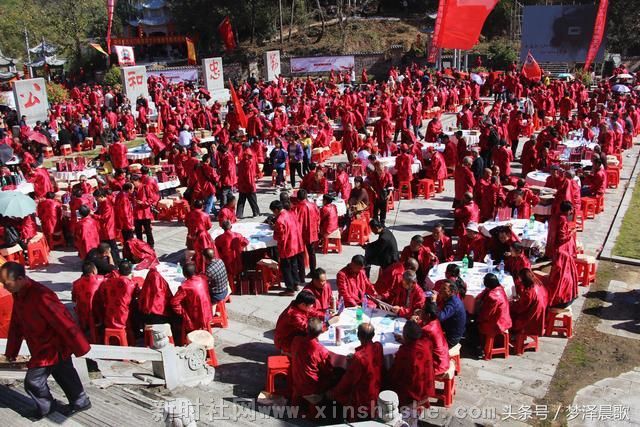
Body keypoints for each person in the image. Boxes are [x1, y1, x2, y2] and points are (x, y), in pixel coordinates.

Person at [2, 262, 92, 419]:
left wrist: (79, 345)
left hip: (51, 347)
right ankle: (80, 401)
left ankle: (47, 407)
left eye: (6, 283)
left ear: (20, 279)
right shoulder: (18, 294)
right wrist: (11, 351)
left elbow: (62, 319)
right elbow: (16, 324)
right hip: (38, 345)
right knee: (64, 373)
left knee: (33, 382)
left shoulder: (41, 295)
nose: (4, 287)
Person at [327, 323, 383, 420]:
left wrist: (333, 392)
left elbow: (348, 379)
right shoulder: (378, 346)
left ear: (358, 336)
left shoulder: (359, 357)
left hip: (362, 394)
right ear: (373, 335)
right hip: (376, 386)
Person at [388, 320, 435, 408]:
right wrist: (405, 342)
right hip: (427, 386)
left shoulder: (405, 352)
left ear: (406, 336)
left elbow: (396, 371)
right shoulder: (427, 343)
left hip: (413, 391)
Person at [289, 318, 334, 406]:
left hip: (296, 377)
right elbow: (327, 370)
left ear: (307, 329)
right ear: (320, 332)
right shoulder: (321, 350)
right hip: (311, 385)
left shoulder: (296, 340)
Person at [545, 201, 578, 308]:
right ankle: (562, 297)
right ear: (567, 210)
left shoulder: (555, 217)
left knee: (558, 273)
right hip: (562, 250)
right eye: (571, 210)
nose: (572, 212)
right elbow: (562, 237)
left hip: (554, 248)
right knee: (563, 274)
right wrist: (571, 233)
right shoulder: (562, 219)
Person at [170, 262, 213, 340]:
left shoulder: (185, 287)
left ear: (184, 274)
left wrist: (182, 312)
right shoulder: (203, 279)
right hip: (207, 311)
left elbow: (174, 302)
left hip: (195, 316)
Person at [98, 260, 138, 342]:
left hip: (109, 313)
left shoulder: (108, 281)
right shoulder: (132, 284)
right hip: (123, 315)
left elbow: (102, 294)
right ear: (130, 272)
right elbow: (136, 296)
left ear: (118, 271)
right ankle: (131, 339)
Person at [270, 200, 304, 295]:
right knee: (294, 264)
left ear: (276, 210)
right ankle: (296, 283)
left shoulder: (280, 220)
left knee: (286, 267)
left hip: (286, 246)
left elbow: (280, 237)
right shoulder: (290, 214)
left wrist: (274, 233)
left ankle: (289, 288)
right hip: (295, 243)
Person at [71, 261, 105, 341]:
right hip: (97, 312)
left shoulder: (76, 283)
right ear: (94, 271)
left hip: (82, 313)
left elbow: (74, 299)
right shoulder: (101, 279)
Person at [511, 269, 548, 337]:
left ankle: (513, 335)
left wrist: (511, 304)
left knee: (510, 314)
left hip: (530, 318)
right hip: (540, 315)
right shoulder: (539, 285)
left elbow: (520, 308)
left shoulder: (529, 293)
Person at [475, 273, 512, 342]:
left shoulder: (492, 297)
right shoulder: (500, 288)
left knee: (476, 324)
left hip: (497, 324)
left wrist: (478, 318)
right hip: (504, 319)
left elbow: (487, 314)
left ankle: (480, 343)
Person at [292, 189, 320, 277]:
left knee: (300, 254)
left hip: (301, 233)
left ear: (298, 198)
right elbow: (318, 217)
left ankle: (301, 274)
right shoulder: (313, 205)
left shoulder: (297, 208)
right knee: (312, 252)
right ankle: (313, 271)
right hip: (311, 231)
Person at [419, 300, 451, 376]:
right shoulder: (435, 321)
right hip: (443, 358)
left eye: (422, 311)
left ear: (428, 315)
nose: (420, 312)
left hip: (437, 364)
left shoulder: (428, 330)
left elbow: (417, 344)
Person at [433, 280, 466, 347]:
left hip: (451, 337)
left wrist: (433, 301)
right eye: (441, 288)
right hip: (448, 330)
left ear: (451, 292)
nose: (440, 290)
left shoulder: (453, 303)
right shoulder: (449, 299)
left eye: (444, 289)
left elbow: (440, 317)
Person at [93, 189, 120, 263]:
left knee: (112, 247)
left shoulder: (107, 205)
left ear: (101, 196)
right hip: (104, 228)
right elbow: (98, 212)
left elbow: (104, 217)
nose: (96, 200)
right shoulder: (102, 203)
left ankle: (116, 261)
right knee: (107, 247)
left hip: (108, 229)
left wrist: (93, 215)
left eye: (97, 198)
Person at [131, 175, 155, 247]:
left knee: (148, 231)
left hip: (145, 213)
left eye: (133, 182)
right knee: (138, 232)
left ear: (138, 181)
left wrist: (143, 203)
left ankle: (151, 245)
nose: (132, 184)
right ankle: (140, 245)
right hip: (136, 213)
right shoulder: (132, 189)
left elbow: (151, 198)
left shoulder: (145, 187)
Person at [236, 152, 261, 218]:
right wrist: (251, 185)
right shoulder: (248, 163)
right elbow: (249, 175)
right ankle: (256, 212)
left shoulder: (241, 162)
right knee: (252, 199)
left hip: (242, 183)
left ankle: (239, 214)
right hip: (248, 184)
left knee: (241, 199)